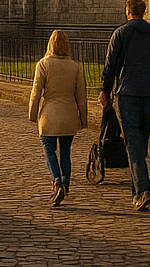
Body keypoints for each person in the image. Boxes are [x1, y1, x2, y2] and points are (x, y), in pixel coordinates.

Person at [99, 0, 150, 210]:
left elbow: (110, 64)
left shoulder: (121, 33)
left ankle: (143, 190)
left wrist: (105, 89)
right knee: (140, 140)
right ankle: (137, 191)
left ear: (128, 11)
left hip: (128, 93)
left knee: (133, 142)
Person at [29, 29, 88, 207]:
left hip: (49, 115)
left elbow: (36, 93)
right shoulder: (75, 67)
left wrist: (32, 114)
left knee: (49, 151)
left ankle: (56, 181)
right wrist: (83, 120)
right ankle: (66, 184)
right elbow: (82, 97)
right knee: (65, 152)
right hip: (68, 115)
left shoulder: (43, 64)